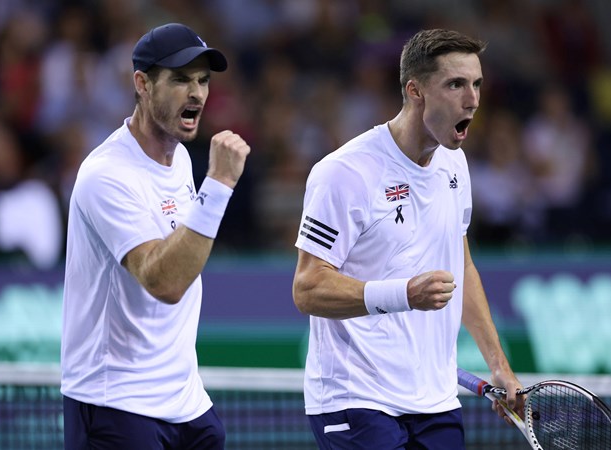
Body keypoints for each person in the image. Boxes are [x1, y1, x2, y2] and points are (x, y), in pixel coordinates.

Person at [292, 28, 522, 449]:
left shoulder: (455, 164)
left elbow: (461, 264)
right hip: (356, 399)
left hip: (434, 401)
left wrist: (498, 363)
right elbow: (307, 288)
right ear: (415, 91)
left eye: (476, 84)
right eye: (455, 84)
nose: (472, 100)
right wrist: (403, 294)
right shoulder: (343, 173)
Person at [60, 23, 250, 450]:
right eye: (181, 79)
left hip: (185, 403)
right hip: (116, 405)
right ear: (142, 84)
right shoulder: (106, 175)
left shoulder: (181, 159)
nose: (197, 93)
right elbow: (164, 282)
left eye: (203, 80)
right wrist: (218, 185)